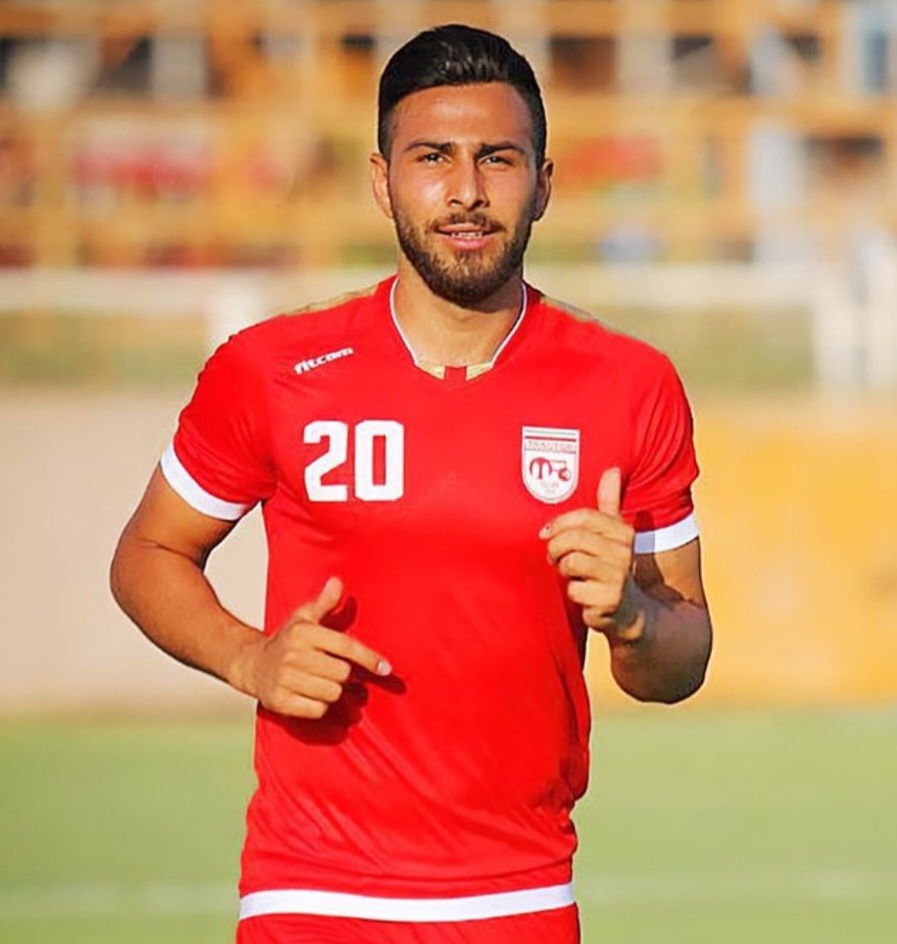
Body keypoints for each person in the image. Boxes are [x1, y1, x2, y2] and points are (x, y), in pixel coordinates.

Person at [110, 23, 712, 944]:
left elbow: (683, 655)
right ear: (381, 180)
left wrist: (631, 617)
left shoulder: (629, 385)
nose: (466, 190)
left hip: (518, 896)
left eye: (497, 158)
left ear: (544, 183)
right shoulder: (271, 369)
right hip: (309, 891)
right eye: (432, 157)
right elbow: (148, 553)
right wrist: (247, 658)